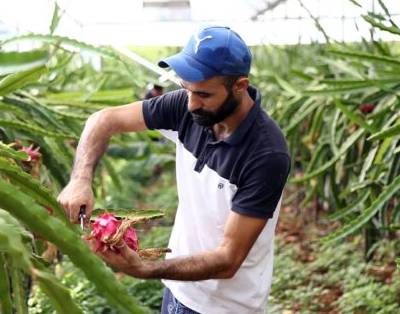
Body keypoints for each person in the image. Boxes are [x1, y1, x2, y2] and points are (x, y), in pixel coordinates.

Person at [57, 26, 290, 313]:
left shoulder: (266, 154)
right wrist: (80, 179)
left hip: (226, 306)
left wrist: (145, 268)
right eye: (185, 88)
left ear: (240, 86)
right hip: (176, 291)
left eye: (203, 94)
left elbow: (229, 258)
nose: (191, 103)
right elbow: (104, 119)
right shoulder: (188, 105)